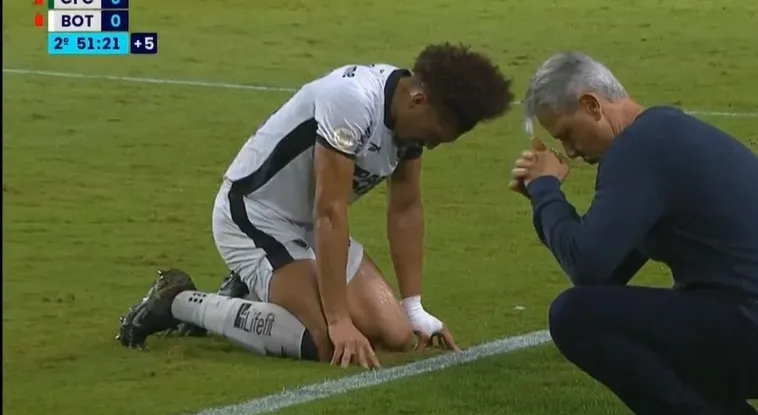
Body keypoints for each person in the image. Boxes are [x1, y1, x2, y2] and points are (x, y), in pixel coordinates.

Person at [510, 52, 758, 415]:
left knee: (572, 316)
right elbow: (605, 276)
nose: (572, 152)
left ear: (592, 105)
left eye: (567, 134)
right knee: (606, 313)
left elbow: (587, 266)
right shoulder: (660, 138)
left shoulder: (640, 150)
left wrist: (545, 191)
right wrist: (545, 202)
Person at [117, 43, 514, 368]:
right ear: (420, 100)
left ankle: (257, 288)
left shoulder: (409, 115)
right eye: (435, 135)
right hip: (254, 216)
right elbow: (330, 210)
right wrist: (339, 320)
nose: (430, 145)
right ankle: (181, 302)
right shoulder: (352, 101)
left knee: (395, 335)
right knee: (327, 342)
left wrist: (414, 308)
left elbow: (405, 208)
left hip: (309, 226)